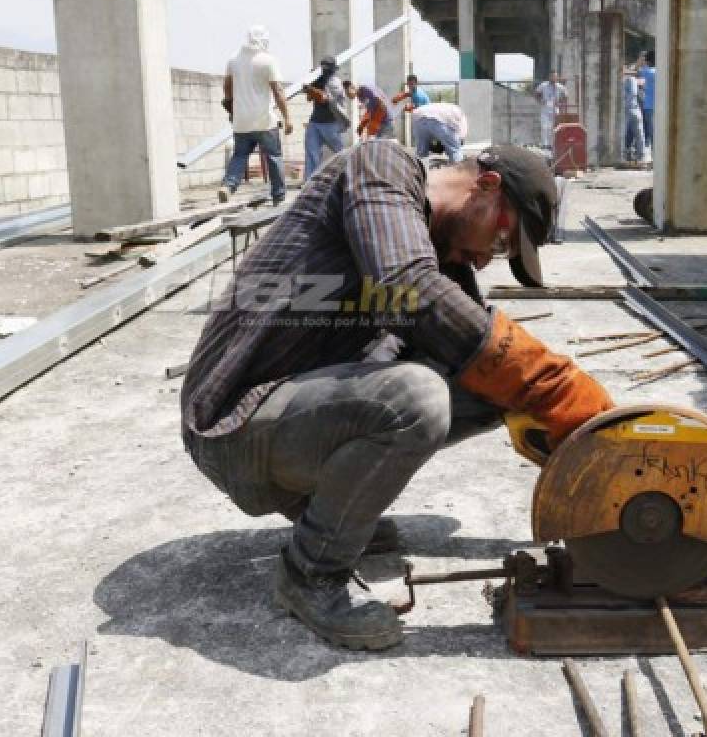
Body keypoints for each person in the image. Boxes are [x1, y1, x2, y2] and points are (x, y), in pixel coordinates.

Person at [180, 140, 614, 650]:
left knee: (493, 384)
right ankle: (310, 574)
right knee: (417, 399)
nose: (484, 260)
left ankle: (324, 513)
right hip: (235, 425)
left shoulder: (441, 254)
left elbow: (480, 352)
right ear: (487, 185)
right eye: (500, 242)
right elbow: (406, 287)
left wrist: (573, 437)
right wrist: (552, 384)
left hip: (294, 415)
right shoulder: (382, 167)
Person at [218, 26, 293, 204]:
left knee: (240, 155)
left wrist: (232, 110)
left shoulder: (233, 59)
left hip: (241, 122)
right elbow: (278, 91)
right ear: (264, 41)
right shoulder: (268, 60)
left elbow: (227, 88)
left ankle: (228, 186)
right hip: (264, 121)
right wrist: (287, 118)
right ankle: (279, 197)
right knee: (273, 156)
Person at [302, 56, 351, 180]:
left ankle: (349, 175)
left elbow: (324, 98)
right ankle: (310, 181)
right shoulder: (318, 79)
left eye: (326, 68)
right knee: (311, 152)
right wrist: (310, 84)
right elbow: (309, 98)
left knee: (339, 152)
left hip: (330, 123)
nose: (324, 70)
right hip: (315, 122)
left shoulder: (334, 82)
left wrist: (310, 89)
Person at [533, 72, 568, 150]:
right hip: (545, 108)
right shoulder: (543, 85)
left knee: (554, 127)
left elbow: (565, 95)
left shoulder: (560, 86)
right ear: (549, 77)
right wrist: (540, 100)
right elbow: (536, 93)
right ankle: (544, 145)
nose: (554, 78)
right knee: (545, 127)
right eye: (552, 76)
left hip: (555, 108)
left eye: (555, 77)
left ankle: (552, 145)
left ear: (557, 77)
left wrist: (560, 103)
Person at [622, 68, 645, 163]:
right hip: (635, 109)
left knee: (628, 134)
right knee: (638, 134)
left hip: (629, 110)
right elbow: (638, 95)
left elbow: (633, 94)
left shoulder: (630, 80)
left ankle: (636, 155)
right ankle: (639, 156)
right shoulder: (633, 81)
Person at [637, 51, 656, 151]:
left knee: (650, 130)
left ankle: (653, 152)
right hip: (659, 105)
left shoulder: (645, 71)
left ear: (647, 61)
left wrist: (640, 60)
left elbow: (639, 84)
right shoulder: (658, 71)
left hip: (648, 105)